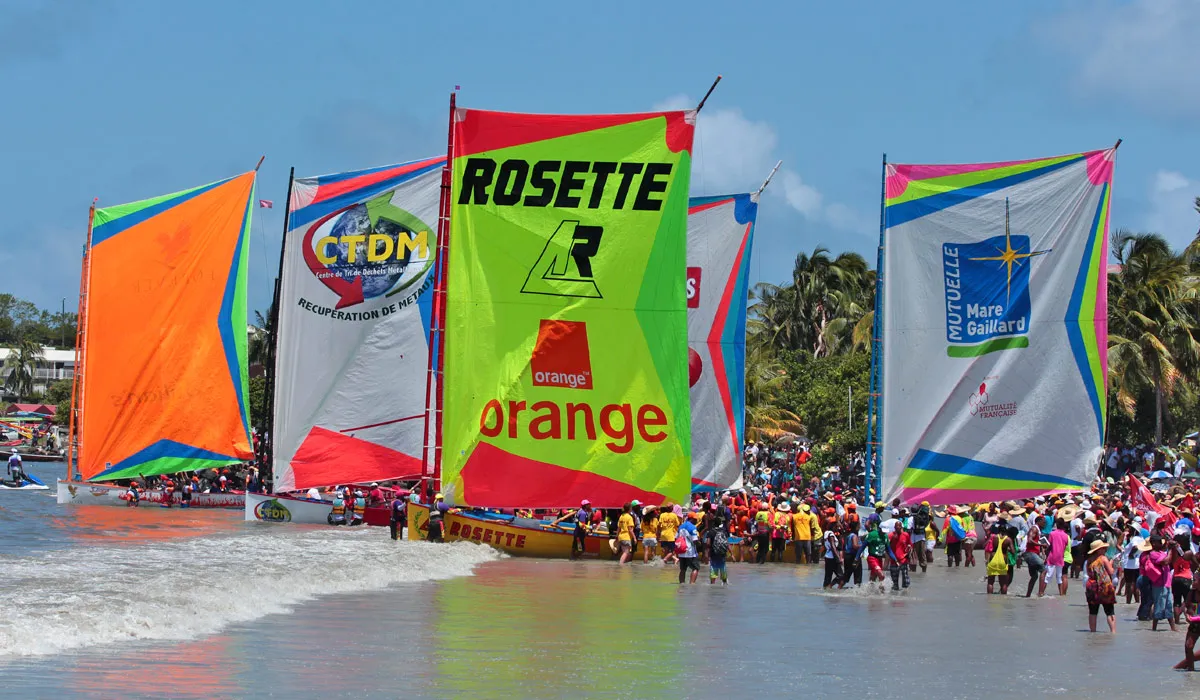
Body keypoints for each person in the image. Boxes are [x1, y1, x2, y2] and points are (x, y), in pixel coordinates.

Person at [1084, 538, 1117, 633]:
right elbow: (1111, 571)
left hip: (1092, 586)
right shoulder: (1103, 558)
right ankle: (1113, 632)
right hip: (1104, 587)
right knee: (1109, 611)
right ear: (1099, 550)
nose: (1105, 549)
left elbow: (1089, 573)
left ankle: (1093, 632)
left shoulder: (1089, 560)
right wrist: (1111, 563)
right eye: (1103, 548)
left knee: (1093, 611)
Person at [1146, 535, 1178, 632]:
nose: (1162, 544)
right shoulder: (1153, 554)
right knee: (1159, 606)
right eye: (1160, 542)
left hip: (1167, 583)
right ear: (1154, 543)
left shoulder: (1162, 552)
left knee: (1168, 606)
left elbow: (1173, 560)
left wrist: (1174, 549)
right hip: (1158, 584)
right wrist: (1170, 550)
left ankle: (1173, 628)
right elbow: (1165, 561)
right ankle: (1154, 629)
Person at [1040, 519, 1070, 597]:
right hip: (1060, 557)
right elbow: (1065, 546)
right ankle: (1061, 594)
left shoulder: (1052, 533)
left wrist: (1046, 554)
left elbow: (1049, 545)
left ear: (1057, 525)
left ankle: (1041, 592)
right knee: (1059, 577)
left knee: (1048, 576)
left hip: (1052, 556)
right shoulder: (1066, 536)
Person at [985, 525, 1014, 594]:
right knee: (1003, 583)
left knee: (990, 582)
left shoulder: (993, 537)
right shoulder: (1008, 539)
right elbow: (1013, 551)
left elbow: (986, 546)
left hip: (993, 560)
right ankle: (1003, 598)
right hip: (1002, 561)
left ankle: (989, 598)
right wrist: (1007, 549)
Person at [1023, 516, 1047, 598]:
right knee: (1044, 570)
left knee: (1034, 576)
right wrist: (1041, 544)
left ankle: (1028, 595)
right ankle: (1040, 593)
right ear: (1039, 521)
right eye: (1043, 522)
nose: (1045, 524)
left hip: (1033, 554)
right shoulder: (1034, 529)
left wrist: (1041, 550)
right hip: (1030, 553)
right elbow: (1030, 540)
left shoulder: (1038, 530)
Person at [888, 519, 912, 591]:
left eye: (899, 528)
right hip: (893, 561)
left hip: (903, 560)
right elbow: (887, 546)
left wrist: (909, 549)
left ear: (901, 528)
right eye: (896, 528)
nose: (898, 529)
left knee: (905, 581)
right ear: (894, 528)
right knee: (894, 583)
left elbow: (910, 544)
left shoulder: (906, 535)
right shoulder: (890, 535)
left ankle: (905, 595)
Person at [677, 515, 700, 584]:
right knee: (695, 568)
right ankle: (692, 584)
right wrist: (699, 544)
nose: (696, 521)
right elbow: (695, 540)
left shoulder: (680, 526)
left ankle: (681, 584)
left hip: (681, 551)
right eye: (696, 520)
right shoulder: (693, 527)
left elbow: (676, 538)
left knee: (683, 569)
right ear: (691, 519)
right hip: (690, 552)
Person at [864, 519, 888, 584]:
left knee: (873, 577)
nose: (884, 533)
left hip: (880, 559)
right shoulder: (872, 534)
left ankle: (868, 591)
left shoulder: (885, 536)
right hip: (872, 558)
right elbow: (862, 547)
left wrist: (895, 559)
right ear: (879, 528)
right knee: (881, 576)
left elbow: (889, 550)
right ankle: (882, 593)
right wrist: (856, 558)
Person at [910, 501, 932, 572]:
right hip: (922, 538)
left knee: (913, 556)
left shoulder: (911, 518)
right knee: (922, 556)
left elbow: (909, 530)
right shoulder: (925, 516)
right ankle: (924, 572)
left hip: (913, 539)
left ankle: (913, 573)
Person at [708, 515, 730, 585]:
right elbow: (727, 543)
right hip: (722, 554)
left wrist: (707, 553)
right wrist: (731, 554)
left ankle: (713, 584)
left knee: (713, 570)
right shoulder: (724, 532)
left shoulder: (711, 532)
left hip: (714, 554)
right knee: (723, 568)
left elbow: (708, 544)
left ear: (713, 523)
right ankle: (724, 583)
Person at [823, 522, 843, 589]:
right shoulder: (831, 534)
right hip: (832, 557)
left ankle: (825, 589)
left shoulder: (826, 533)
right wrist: (838, 558)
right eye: (837, 527)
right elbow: (833, 546)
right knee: (841, 575)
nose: (838, 528)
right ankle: (830, 586)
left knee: (828, 576)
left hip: (827, 556)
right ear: (833, 527)